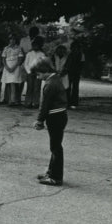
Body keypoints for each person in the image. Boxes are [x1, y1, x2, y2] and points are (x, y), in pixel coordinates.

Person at [33, 57, 68, 186]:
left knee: (56, 147)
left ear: (45, 70)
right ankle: (51, 172)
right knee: (55, 146)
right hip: (59, 115)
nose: (38, 77)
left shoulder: (50, 84)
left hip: (55, 117)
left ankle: (56, 177)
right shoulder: (55, 79)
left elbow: (44, 105)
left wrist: (39, 120)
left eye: (38, 74)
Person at [1, 33, 26, 106]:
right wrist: (7, 67)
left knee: (14, 83)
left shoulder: (19, 48)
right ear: (9, 40)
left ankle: (13, 100)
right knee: (8, 83)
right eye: (11, 39)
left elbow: (20, 59)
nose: (12, 41)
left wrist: (14, 67)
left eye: (14, 39)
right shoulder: (6, 48)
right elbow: (3, 59)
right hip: (7, 66)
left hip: (15, 66)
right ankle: (8, 99)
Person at [23, 37, 47, 109]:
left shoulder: (42, 54)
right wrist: (29, 71)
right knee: (29, 87)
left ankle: (35, 103)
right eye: (34, 45)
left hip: (38, 73)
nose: (35, 47)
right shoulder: (29, 54)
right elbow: (25, 64)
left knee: (37, 88)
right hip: (30, 73)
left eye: (37, 45)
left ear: (39, 46)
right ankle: (28, 102)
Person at [65, 40, 84, 109]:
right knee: (69, 87)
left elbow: (81, 65)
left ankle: (73, 102)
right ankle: (69, 102)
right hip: (70, 72)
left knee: (74, 88)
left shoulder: (80, 55)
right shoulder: (70, 54)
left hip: (76, 72)